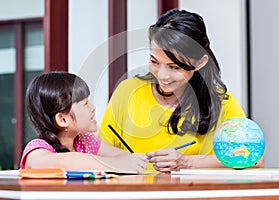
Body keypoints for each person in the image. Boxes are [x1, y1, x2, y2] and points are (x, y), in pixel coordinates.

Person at [98, 9, 264, 172]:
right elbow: (98, 151)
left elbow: (255, 160)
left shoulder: (221, 103)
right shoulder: (128, 91)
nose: (162, 75)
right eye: (154, 61)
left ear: (199, 63)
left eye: (174, 67)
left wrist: (188, 163)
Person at [20, 72, 147, 173]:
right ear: (63, 119)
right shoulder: (37, 148)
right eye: (85, 103)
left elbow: (124, 158)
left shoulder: (86, 141)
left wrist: (134, 160)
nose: (93, 107)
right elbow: (61, 163)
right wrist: (115, 164)